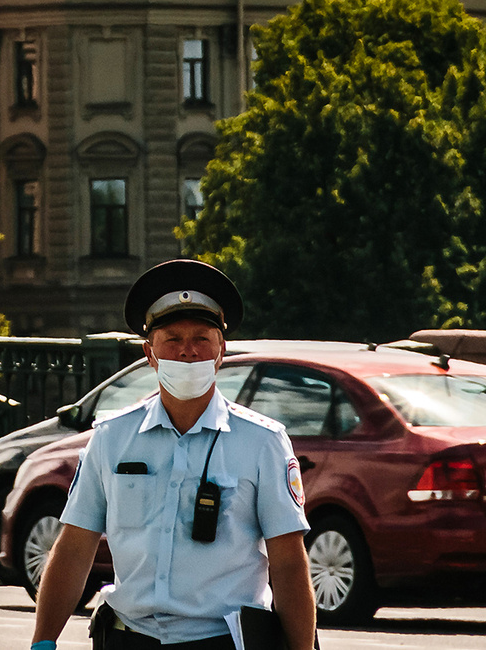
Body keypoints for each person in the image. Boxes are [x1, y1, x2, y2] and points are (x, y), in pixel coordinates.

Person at [27, 261, 315, 650]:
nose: (188, 353)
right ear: (150, 353)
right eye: (173, 339)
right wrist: (43, 641)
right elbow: (75, 546)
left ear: (220, 351)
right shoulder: (113, 437)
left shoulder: (261, 442)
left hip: (219, 640)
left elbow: (288, 563)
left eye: (202, 339)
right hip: (128, 638)